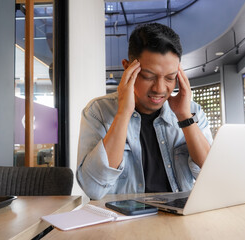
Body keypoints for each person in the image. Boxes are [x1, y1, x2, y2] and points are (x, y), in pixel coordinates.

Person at [76, 23, 213, 200]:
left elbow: (210, 178)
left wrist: (184, 117)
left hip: (179, 219)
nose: (160, 88)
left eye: (170, 78)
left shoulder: (192, 112)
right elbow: (93, 188)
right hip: (123, 222)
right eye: (148, 76)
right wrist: (123, 114)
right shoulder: (98, 112)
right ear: (127, 68)